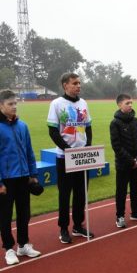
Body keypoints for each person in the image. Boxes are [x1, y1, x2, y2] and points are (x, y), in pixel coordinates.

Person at [48, 73, 93, 243]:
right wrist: (67, 150)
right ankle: (63, 228)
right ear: (65, 85)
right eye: (75, 83)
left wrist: (88, 146)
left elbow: (88, 127)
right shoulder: (57, 104)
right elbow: (52, 131)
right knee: (65, 195)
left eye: (79, 83)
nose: (78, 86)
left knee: (81, 193)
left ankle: (78, 225)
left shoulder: (83, 103)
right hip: (64, 157)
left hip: (82, 156)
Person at [0, 90, 41, 265]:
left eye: (15, 103)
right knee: (5, 215)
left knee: (24, 214)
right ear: (1, 106)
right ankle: (9, 249)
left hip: (24, 177)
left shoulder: (23, 126)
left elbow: (29, 152)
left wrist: (33, 174)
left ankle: (23, 245)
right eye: (10, 104)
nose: (14, 106)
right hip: (6, 180)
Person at [110, 94, 137, 228]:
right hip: (123, 164)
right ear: (119, 105)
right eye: (127, 103)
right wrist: (130, 160)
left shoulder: (136, 121)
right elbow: (116, 146)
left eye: (131, 103)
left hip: (136, 163)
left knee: (135, 189)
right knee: (121, 191)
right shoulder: (115, 123)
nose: (130, 105)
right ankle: (120, 216)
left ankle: (136, 212)